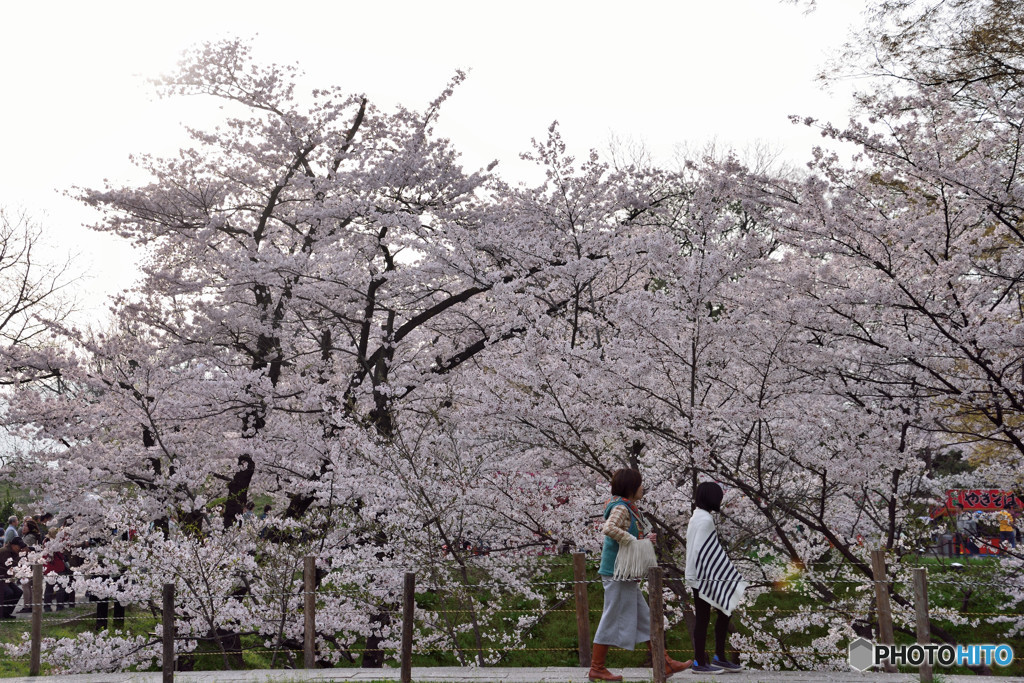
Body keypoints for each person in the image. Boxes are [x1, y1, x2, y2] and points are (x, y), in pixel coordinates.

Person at [589, 468, 691, 681]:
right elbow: (609, 528)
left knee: (645, 617)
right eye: (640, 484)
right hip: (616, 573)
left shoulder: (628, 507)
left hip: (622, 573)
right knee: (611, 616)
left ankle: (664, 661)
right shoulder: (621, 508)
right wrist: (633, 541)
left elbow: (624, 533)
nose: (642, 487)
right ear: (631, 487)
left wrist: (643, 540)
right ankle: (596, 667)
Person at [685, 481, 747, 674]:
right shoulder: (705, 520)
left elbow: (703, 549)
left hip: (699, 574)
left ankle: (717, 657)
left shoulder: (697, 516)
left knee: (722, 610)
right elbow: (703, 550)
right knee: (707, 616)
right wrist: (721, 572)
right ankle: (700, 662)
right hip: (704, 576)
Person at [0, 537, 28, 619]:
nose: (20, 549)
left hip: (5, 579)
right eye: (19, 547)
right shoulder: (5, 552)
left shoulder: (12, 552)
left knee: (18, 592)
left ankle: (6, 613)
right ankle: (2, 613)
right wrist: (21, 556)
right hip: (1, 578)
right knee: (9, 593)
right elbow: (11, 566)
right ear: (13, 545)